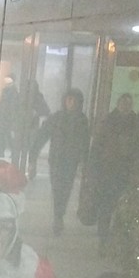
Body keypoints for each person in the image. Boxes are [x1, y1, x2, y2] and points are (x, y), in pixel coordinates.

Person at [85, 92, 139, 240]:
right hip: (107, 171)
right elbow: (97, 147)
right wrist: (93, 169)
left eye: (128, 104)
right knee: (106, 205)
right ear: (118, 104)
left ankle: (115, 239)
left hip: (126, 172)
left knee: (122, 208)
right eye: (123, 103)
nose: (125, 107)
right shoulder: (108, 122)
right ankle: (103, 238)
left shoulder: (136, 124)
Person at [40, 88, 90, 235]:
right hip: (56, 160)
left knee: (66, 189)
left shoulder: (82, 120)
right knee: (57, 188)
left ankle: (59, 214)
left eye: (74, 100)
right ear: (65, 101)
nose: (72, 103)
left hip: (71, 161)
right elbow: (43, 135)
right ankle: (57, 216)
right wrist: (33, 153)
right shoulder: (57, 117)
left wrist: (84, 161)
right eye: (69, 100)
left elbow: (85, 142)